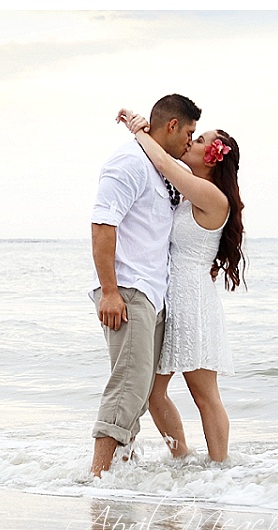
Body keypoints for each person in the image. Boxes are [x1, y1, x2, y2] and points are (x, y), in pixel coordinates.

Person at [116, 107, 245, 463]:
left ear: (214, 158)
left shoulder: (212, 196)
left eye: (201, 140)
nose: (192, 140)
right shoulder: (188, 193)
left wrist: (139, 130)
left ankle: (220, 469)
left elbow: (163, 162)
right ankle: (182, 460)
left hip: (193, 304)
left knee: (204, 395)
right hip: (169, 299)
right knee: (153, 393)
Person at [89, 94, 201, 477]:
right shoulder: (129, 163)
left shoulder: (159, 166)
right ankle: (99, 476)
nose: (191, 141)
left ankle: (121, 469)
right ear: (172, 126)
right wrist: (109, 290)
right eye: (189, 132)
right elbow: (103, 224)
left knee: (140, 390)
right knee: (128, 385)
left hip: (152, 293)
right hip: (128, 290)